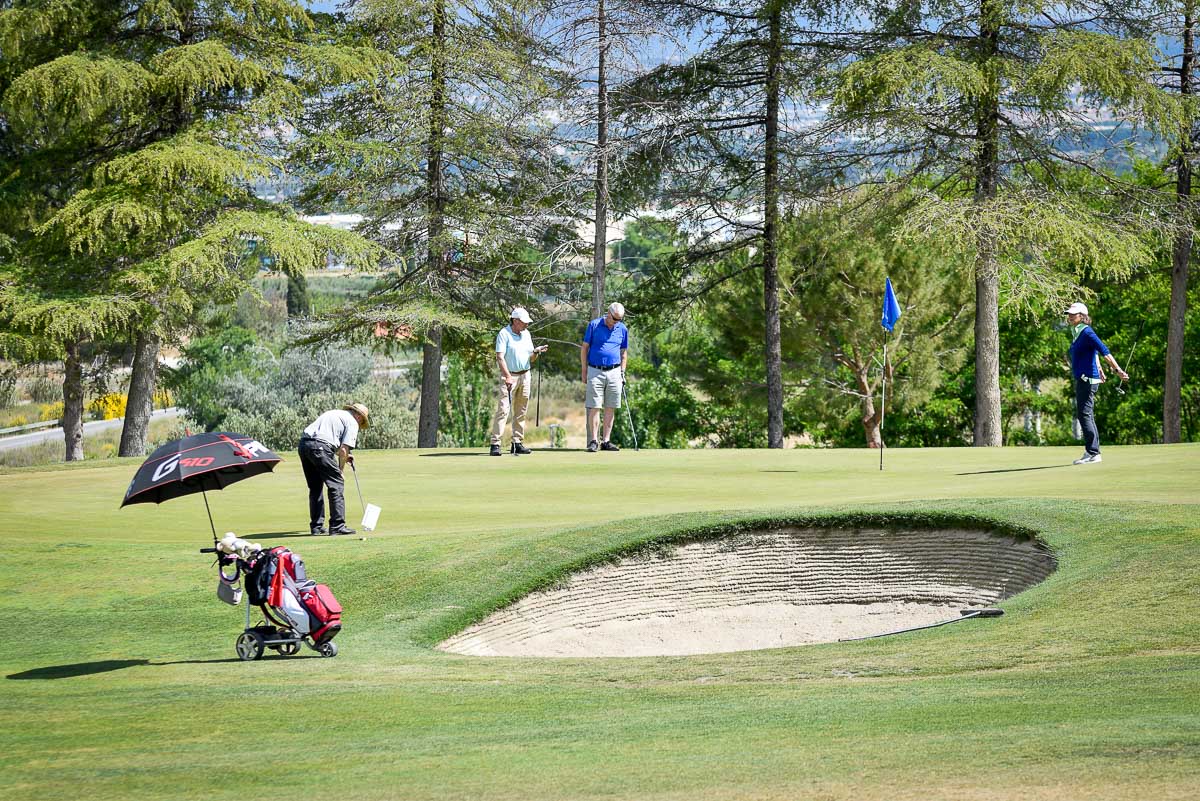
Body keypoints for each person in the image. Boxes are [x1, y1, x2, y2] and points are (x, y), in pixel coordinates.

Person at [1066, 302, 1127, 465]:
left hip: (1088, 379)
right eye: (1069, 314)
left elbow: (1103, 350)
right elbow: (1092, 351)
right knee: (1085, 414)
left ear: (1082, 316)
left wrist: (1118, 370)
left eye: (1073, 314)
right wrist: (1099, 367)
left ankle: (1093, 453)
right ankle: (1091, 451)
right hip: (1084, 378)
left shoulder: (1087, 332)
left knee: (1084, 414)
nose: (1070, 316)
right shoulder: (1076, 331)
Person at [299, 402, 369, 534]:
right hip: (319, 447)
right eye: (362, 421)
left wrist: (344, 456)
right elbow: (343, 450)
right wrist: (340, 470)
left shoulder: (334, 413)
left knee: (315, 487)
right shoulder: (352, 422)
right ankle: (337, 526)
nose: (360, 424)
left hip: (304, 445)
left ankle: (317, 527)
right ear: (359, 416)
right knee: (336, 483)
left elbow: (323, 440)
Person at [489, 307, 548, 456]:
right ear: (515, 321)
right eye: (524, 322)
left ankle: (517, 442)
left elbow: (531, 358)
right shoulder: (504, 334)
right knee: (503, 410)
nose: (526, 324)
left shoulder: (526, 334)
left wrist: (536, 352)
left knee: (521, 410)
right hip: (510, 376)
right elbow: (500, 357)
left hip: (525, 375)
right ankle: (495, 443)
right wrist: (507, 376)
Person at [581, 301, 629, 452]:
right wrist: (584, 370)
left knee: (610, 407)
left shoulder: (622, 329)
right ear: (609, 313)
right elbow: (584, 348)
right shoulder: (594, 325)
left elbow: (623, 353)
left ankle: (606, 441)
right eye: (615, 319)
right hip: (595, 370)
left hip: (615, 372)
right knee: (595, 406)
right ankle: (594, 441)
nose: (616, 322)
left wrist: (622, 372)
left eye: (619, 319)